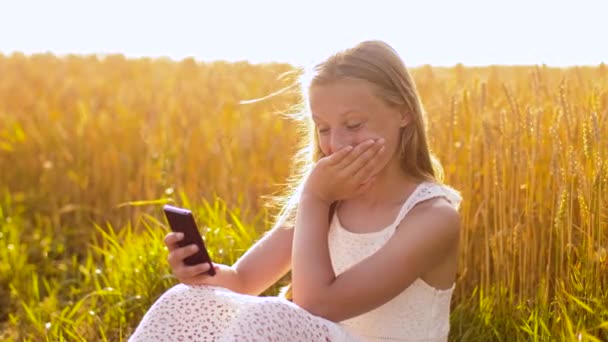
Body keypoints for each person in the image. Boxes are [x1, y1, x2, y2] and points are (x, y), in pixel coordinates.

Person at [129, 40, 463, 341]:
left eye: (354, 125)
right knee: (186, 300)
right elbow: (245, 281)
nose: (337, 144)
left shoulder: (432, 218)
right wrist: (203, 272)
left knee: (270, 315)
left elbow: (316, 305)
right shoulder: (331, 201)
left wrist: (316, 198)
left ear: (403, 112)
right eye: (324, 128)